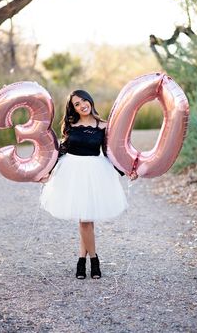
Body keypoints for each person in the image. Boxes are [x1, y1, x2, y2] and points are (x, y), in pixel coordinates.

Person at [39, 90, 137, 280]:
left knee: (86, 220)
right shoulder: (71, 125)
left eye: (84, 100)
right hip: (72, 172)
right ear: (73, 108)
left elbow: (110, 153)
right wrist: (47, 172)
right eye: (76, 104)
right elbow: (61, 150)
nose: (82, 105)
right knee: (85, 220)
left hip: (94, 172)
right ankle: (93, 260)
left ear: (90, 100)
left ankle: (82, 261)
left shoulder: (104, 126)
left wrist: (126, 170)